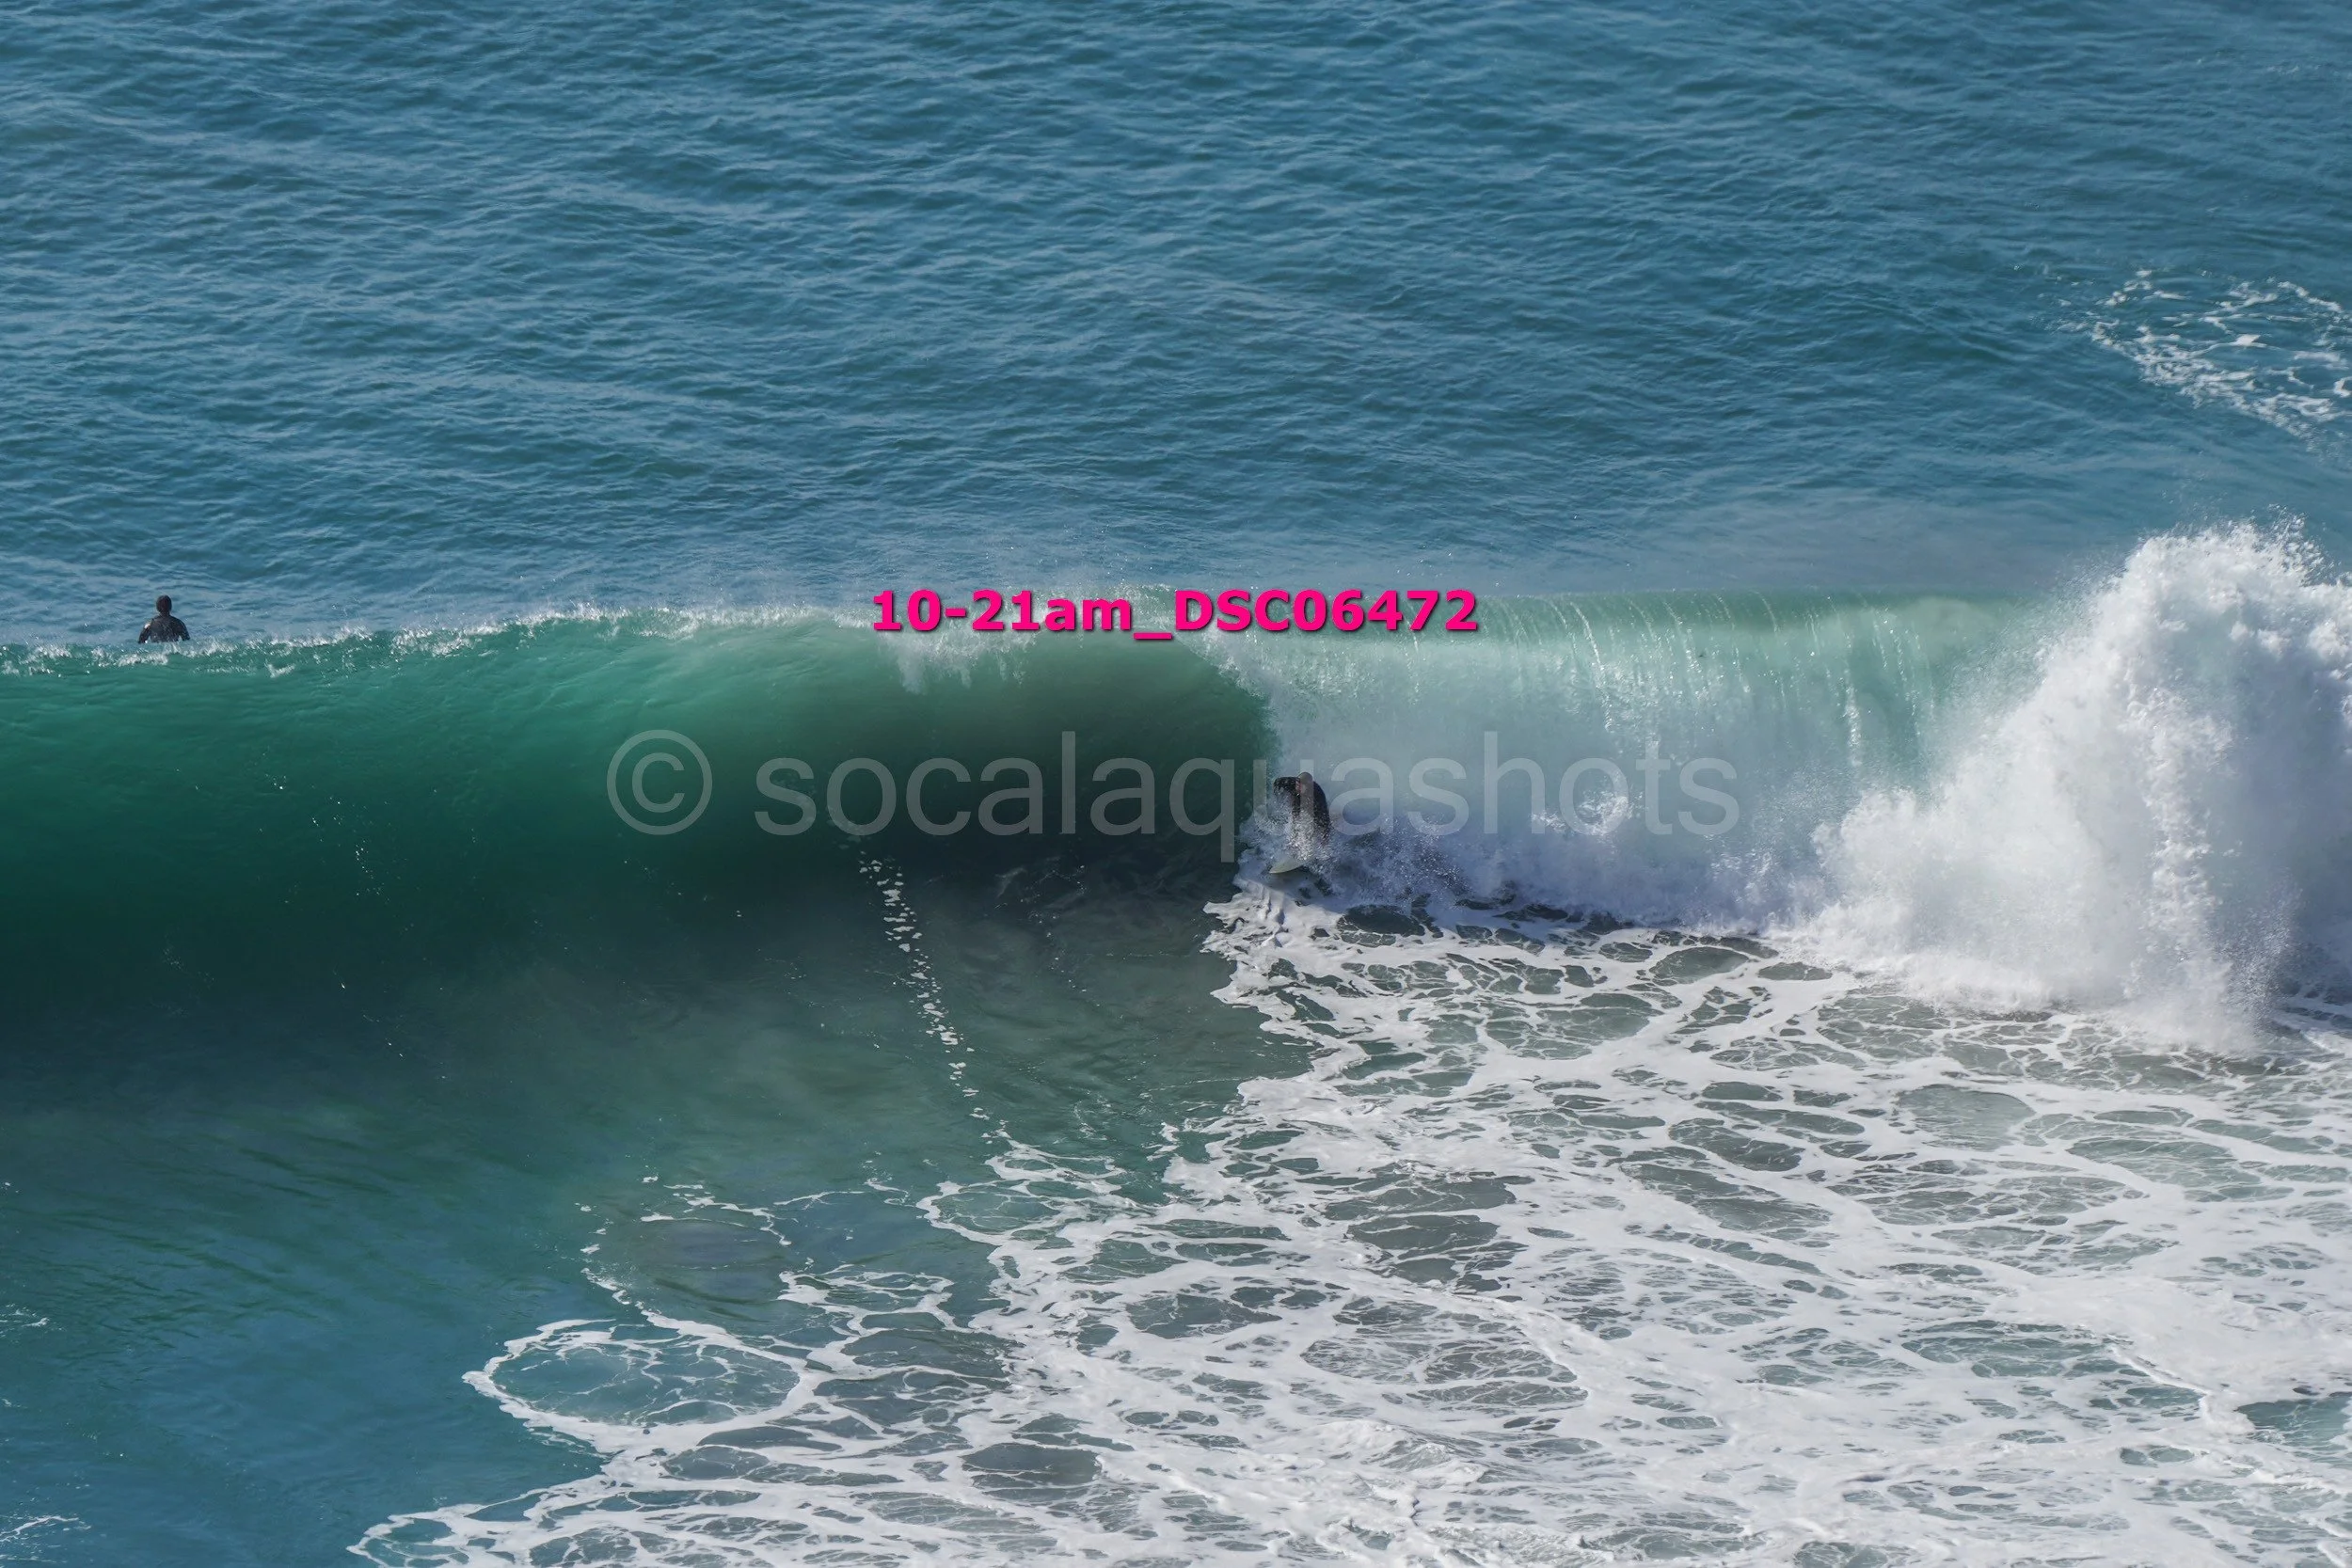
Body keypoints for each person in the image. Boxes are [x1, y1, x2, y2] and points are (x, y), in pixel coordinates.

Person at [1272, 768, 1331, 853]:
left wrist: (1325, 842)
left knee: (1318, 822)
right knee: (1295, 816)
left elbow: (1325, 822)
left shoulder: (1318, 796)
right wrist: (1277, 794)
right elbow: (1277, 782)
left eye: (1301, 785)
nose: (1297, 787)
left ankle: (1303, 842)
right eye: (1297, 784)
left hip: (1311, 803)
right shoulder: (1292, 783)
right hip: (1297, 799)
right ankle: (1293, 842)